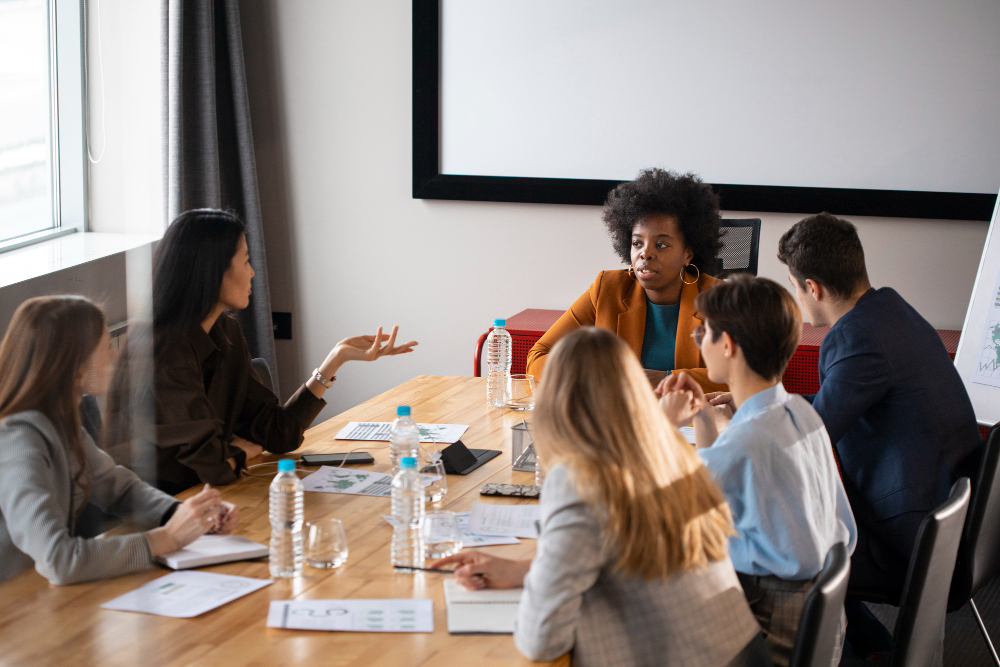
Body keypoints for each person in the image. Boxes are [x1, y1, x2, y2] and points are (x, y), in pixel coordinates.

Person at [434, 327, 763, 666]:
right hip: (740, 651)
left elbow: (541, 640)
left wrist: (539, 582)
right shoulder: (671, 451)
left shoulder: (579, 478)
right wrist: (524, 570)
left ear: (553, 400)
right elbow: (623, 552)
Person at [764, 212, 981, 657]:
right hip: (949, 518)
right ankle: (872, 649)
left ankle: (852, 653)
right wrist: (758, 403)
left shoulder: (854, 338)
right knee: (806, 528)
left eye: (794, 286)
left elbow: (811, 437)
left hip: (910, 540)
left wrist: (746, 420)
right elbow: (834, 400)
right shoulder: (891, 311)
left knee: (780, 553)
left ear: (813, 288)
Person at [104, 209, 418, 493]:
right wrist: (239, 451)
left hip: (206, 497)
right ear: (214, 271)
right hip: (155, 510)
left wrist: (335, 359)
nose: (253, 272)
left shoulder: (225, 331)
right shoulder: (161, 351)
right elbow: (214, 466)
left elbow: (279, 434)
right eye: (245, 261)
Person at [658, 276, 856, 667]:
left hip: (770, 634)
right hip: (818, 624)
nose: (699, 342)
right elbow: (714, 481)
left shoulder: (748, 443)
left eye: (703, 333)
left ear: (728, 345)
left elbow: (656, 506)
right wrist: (704, 418)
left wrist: (662, 427)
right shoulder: (799, 413)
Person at [0, 296, 238, 585]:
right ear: (74, 367)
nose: (113, 356)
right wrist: (167, 537)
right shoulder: (17, 440)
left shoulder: (58, 422)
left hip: (43, 595)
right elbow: (60, 560)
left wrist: (189, 516)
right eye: (104, 348)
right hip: (16, 603)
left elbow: (120, 488)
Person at [525, 168, 726, 391]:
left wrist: (666, 378)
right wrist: (595, 376)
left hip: (691, 413)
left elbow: (746, 374)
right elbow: (538, 357)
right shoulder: (607, 289)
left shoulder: (719, 300)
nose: (645, 254)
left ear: (688, 253)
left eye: (661, 245)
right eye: (637, 243)